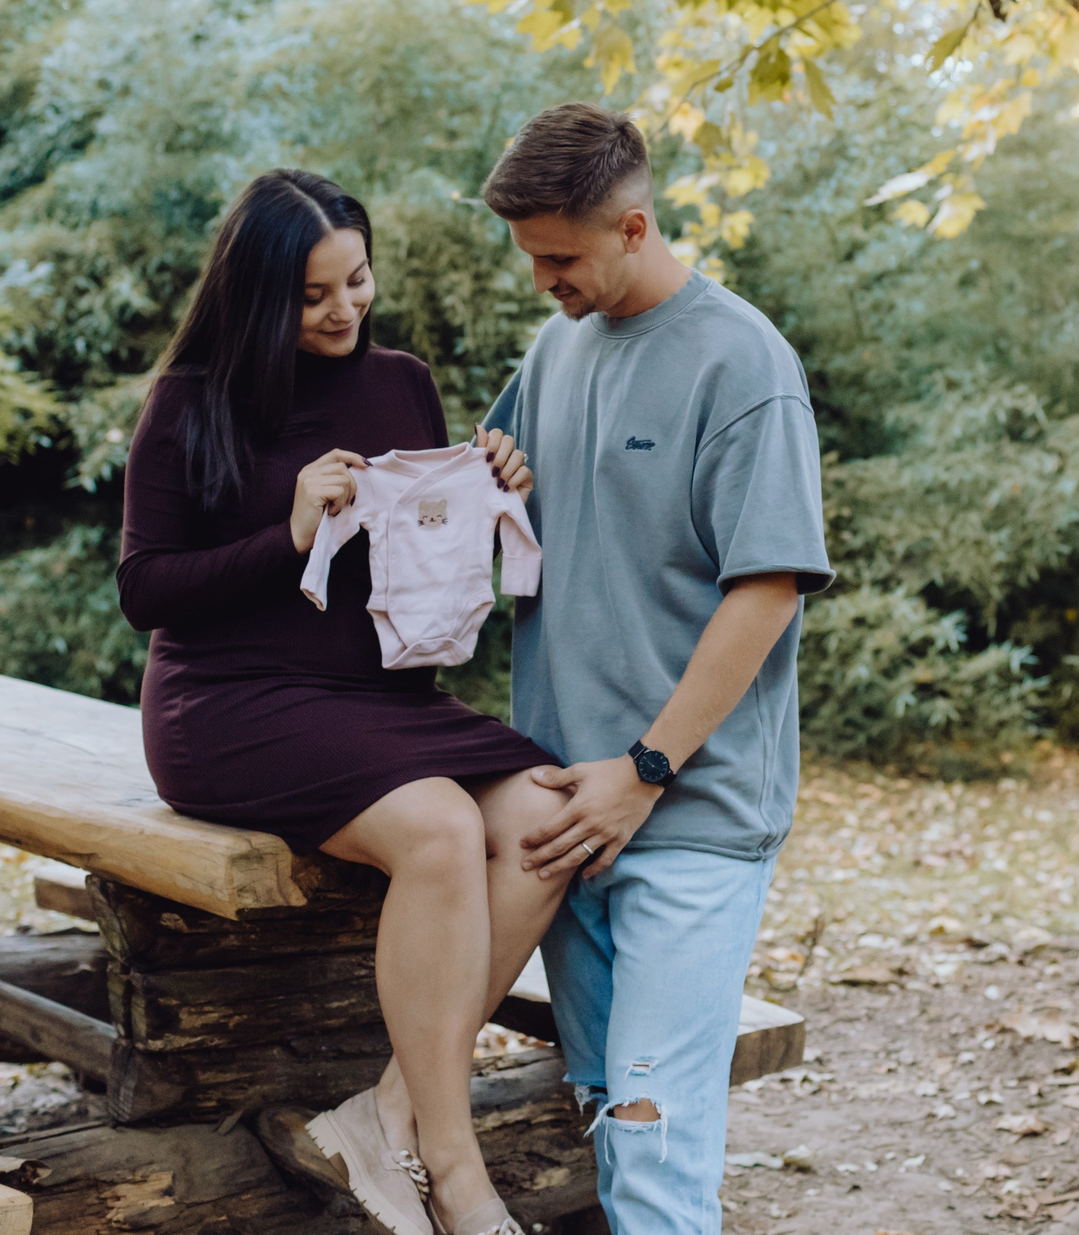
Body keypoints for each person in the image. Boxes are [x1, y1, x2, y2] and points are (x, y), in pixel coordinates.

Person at [118, 168, 564, 1235]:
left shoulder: (401, 383)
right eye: (314, 294)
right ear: (257, 292)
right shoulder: (189, 403)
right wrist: (289, 535)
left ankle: (391, 1112)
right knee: (444, 830)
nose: (344, 308)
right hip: (228, 705)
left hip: (383, 696)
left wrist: (493, 478)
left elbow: (426, 545)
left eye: (357, 280)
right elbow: (146, 590)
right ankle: (454, 1173)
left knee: (550, 818)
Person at [478, 106, 833, 1235]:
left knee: (655, 1137)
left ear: (633, 227)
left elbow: (766, 591)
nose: (541, 278)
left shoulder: (742, 362)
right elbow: (504, 539)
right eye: (530, 255)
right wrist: (490, 483)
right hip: (566, 811)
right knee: (601, 1114)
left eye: (560, 256)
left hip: (684, 809)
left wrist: (645, 768)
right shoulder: (555, 346)